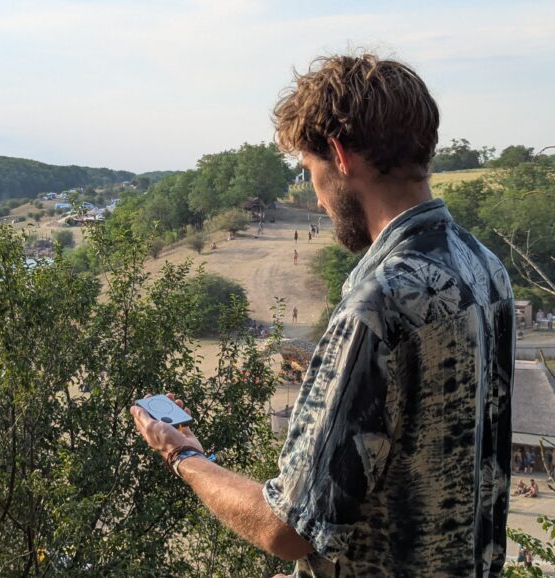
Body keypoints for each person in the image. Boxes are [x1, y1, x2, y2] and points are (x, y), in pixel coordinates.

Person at [131, 53, 514, 577]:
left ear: (339, 155)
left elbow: (287, 529)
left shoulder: (378, 304)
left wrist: (184, 454)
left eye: (310, 171)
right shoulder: (485, 267)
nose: (317, 198)